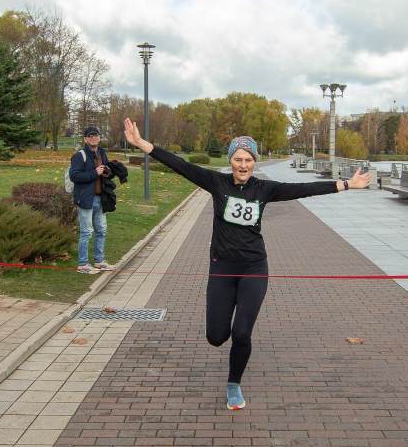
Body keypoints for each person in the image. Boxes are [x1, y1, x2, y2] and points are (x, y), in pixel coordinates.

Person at [122, 117, 371, 410]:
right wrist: (141, 143)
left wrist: (347, 184)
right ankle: (226, 341)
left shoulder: (264, 189)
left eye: (248, 160)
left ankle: (234, 383)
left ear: (254, 162)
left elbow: (303, 189)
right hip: (222, 268)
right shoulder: (216, 182)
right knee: (216, 337)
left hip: (254, 268)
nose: (243, 165)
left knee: (241, 332)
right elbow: (181, 165)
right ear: (231, 161)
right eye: (238, 159)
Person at [69, 126, 113, 274]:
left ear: (100, 138)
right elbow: (74, 176)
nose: (93, 137)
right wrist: (94, 173)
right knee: (87, 232)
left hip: (101, 199)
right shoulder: (79, 156)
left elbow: (105, 173)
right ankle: (83, 265)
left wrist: (109, 171)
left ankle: (99, 261)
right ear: (85, 139)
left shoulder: (102, 153)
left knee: (102, 230)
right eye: (90, 135)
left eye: (96, 135)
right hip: (86, 199)